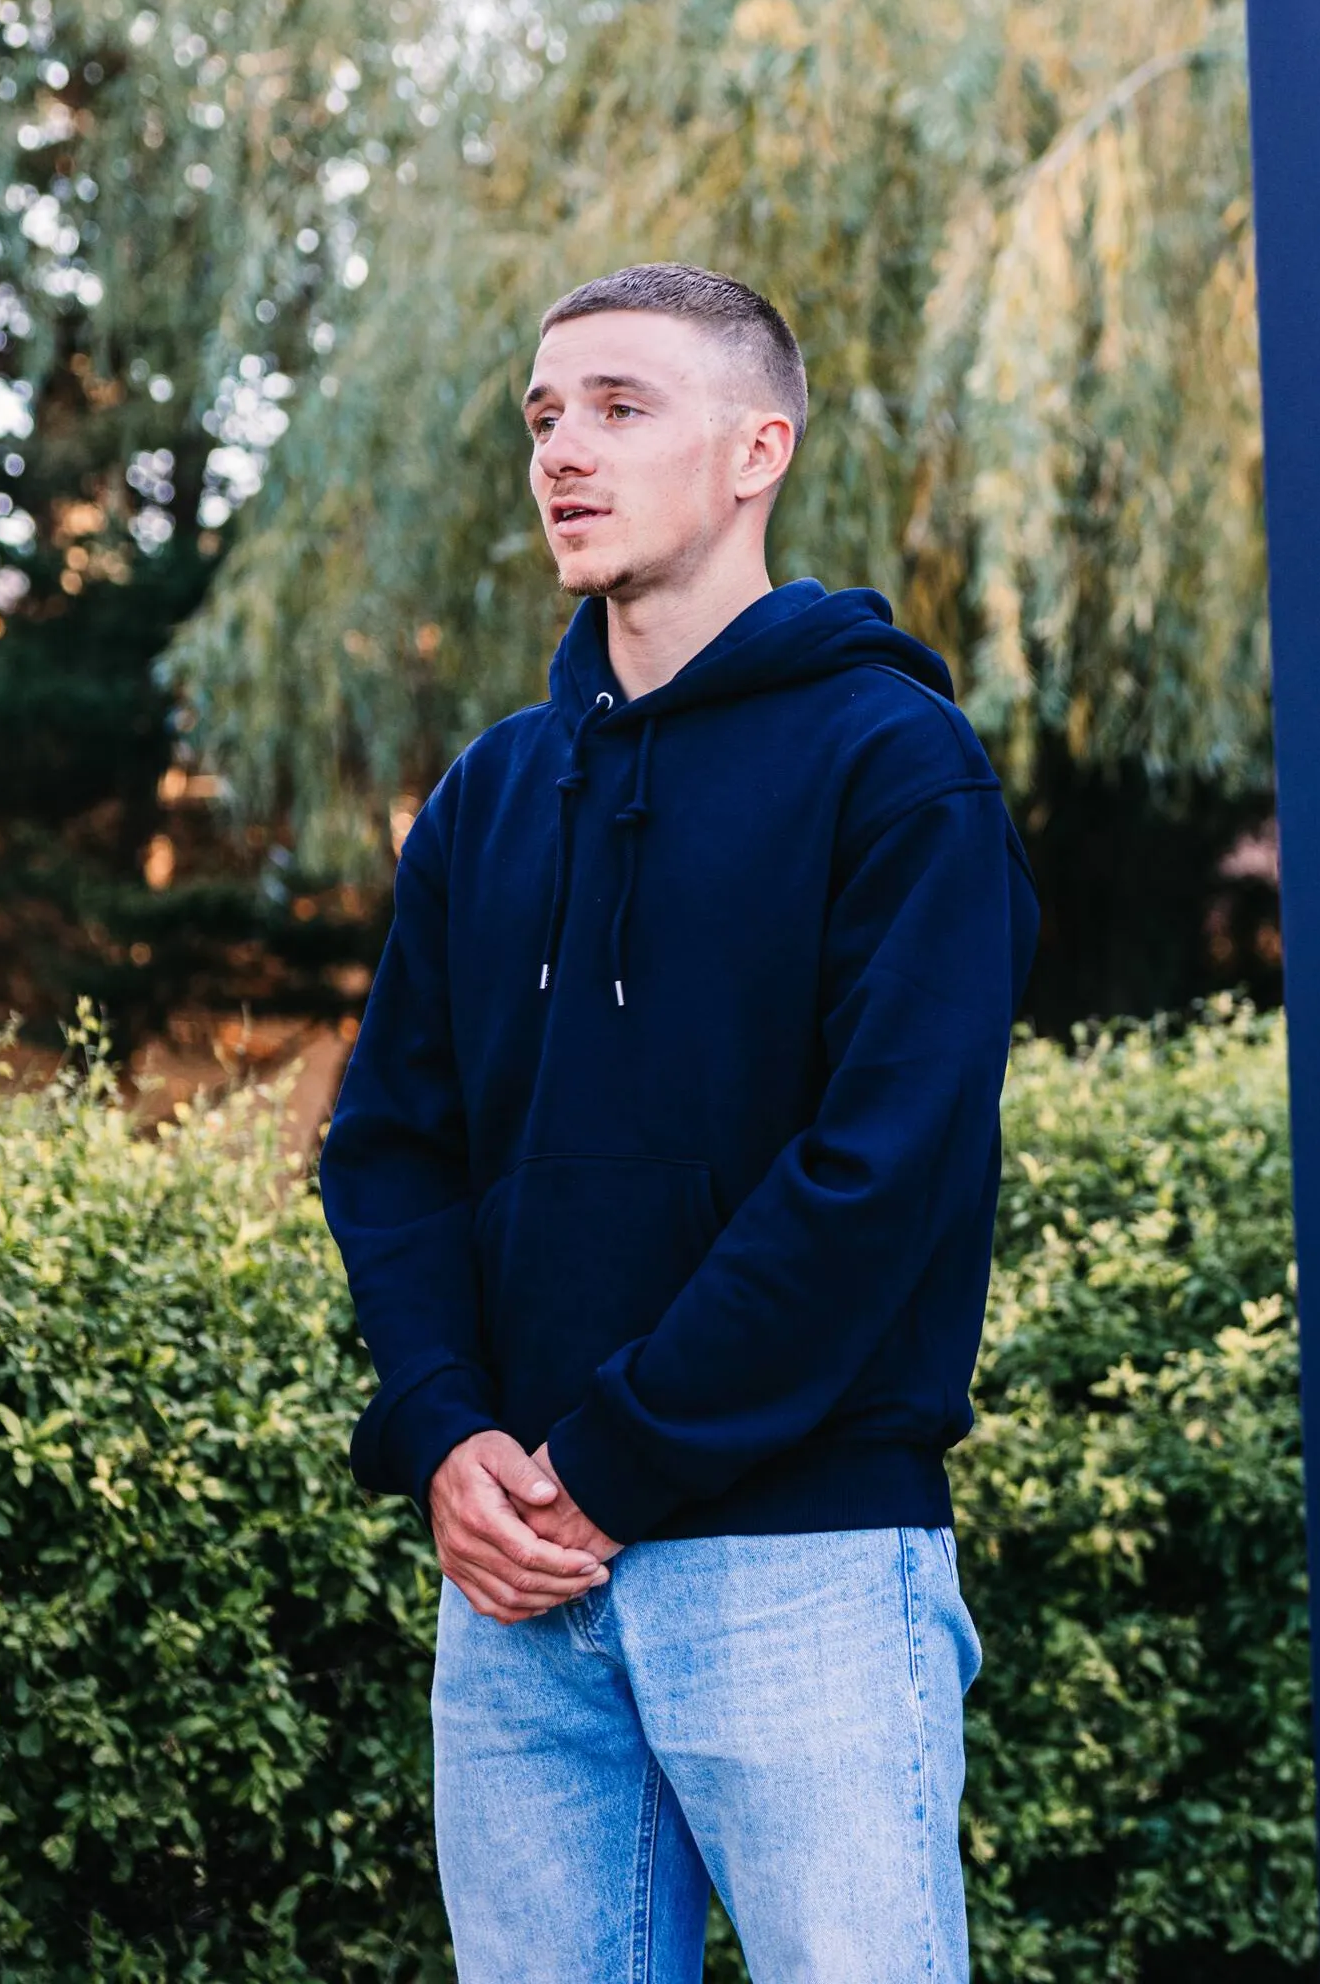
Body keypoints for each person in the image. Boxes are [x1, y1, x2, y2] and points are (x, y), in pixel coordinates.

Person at [319, 261, 1037, 1984]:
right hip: (516, 1590)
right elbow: (391, 1148)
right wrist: (443, 1436)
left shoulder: (897, 765)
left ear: (754, 451)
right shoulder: (493, 792)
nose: (565, 450)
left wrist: (608, 1462)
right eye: (546, 416)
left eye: (622, 409)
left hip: (800, 1567)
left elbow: (877, 1177)